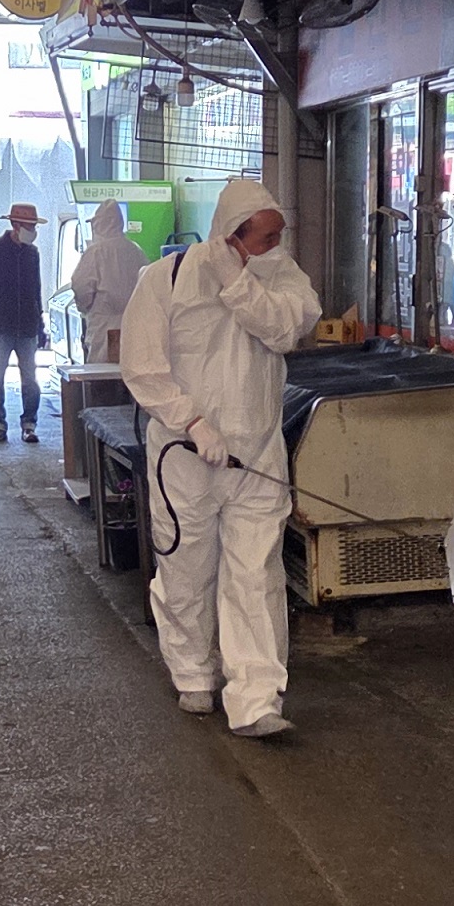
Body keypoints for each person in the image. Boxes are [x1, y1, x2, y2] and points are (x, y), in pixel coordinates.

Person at [119, 177, 320, 739]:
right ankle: (193, 672)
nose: (276, 245)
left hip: (257, 453)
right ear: (233, 234)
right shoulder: (166, 279)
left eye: (279, 236)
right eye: (265, 237)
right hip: (184, 457)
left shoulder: (282, 277)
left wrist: (239, 284)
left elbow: (285, 330)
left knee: (256, 574)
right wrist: (191, 420)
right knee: (187, 569)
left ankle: (256, 698)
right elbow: (142, 366)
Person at [0, 198, 45, 441]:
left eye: (34, 227)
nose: (32, 231)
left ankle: (29, 424)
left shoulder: (32, 253)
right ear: (15, 225)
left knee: (30, 380)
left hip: (27, 326)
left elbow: (36, 289)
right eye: (29, 226)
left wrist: (40, 325)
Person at [70, 195, 145, 364]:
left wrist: (84, 307)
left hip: (103, 327)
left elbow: (81, 286)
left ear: (100, 224)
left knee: (103, 374)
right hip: (135, 327)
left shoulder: (96, 252)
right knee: (130, 372)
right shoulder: (136, 251)